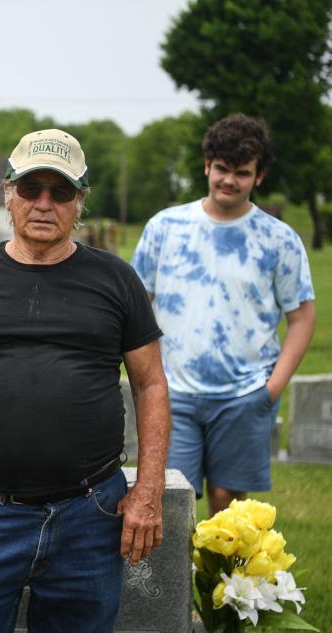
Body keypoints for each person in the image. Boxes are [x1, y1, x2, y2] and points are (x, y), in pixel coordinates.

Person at [0, 129, 171, 633]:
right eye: (31, 188)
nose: (44, 203)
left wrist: (148, 490)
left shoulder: (116, 279)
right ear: (8, 193)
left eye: (61, 191)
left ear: (80, 202)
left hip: (92, 513)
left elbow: (151, 386)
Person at [131, 114, 316, 516]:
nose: (229, 180)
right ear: (206, 167)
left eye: (241, 172)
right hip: (172, 391)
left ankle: (220, 583)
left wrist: (270, 389)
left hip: (245, 393)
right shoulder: (166, 227)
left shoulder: (278, 239)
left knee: (228, 510)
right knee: (169, 504)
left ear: (259, 177)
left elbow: (302, 317)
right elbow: (135, 307)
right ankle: (171, 583)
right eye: (221, 169)